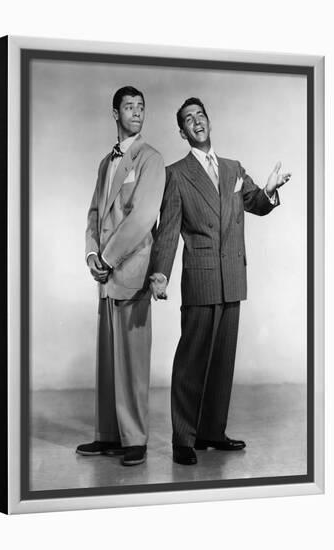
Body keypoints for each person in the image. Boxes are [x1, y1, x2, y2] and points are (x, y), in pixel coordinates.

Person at [150, 97, 291, 466]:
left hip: (233, 278)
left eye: (201, 115)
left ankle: (212, 432)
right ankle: (184, 437)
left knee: (222, 362)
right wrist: (160, 273)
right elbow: (167, 231)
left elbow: (255, 204)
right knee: (192, 361)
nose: (197, 122)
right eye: (188, 119)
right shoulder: (176, 174)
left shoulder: (233, 168)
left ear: (209, 122)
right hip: (200, 279)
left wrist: (270, 190)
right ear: (182, 132)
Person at [76, 86, 165, 466]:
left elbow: (144, 218)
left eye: (141, 107)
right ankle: (109, 436)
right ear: (115, 113)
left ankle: (135, 439)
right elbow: (94, 212)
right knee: (108, 360)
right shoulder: (105, 162)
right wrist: (92, 253)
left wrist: (108, 257)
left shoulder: (151, 159)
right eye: (129, 107)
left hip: (131, 270)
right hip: (106, 274)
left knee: (132, 361)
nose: (136, 112)